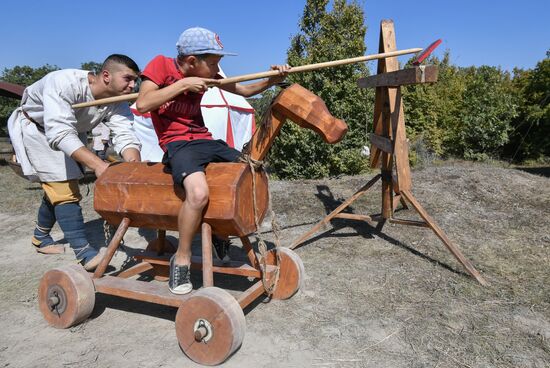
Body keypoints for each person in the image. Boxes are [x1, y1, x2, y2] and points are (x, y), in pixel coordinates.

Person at [136, 27, 289, 294]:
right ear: (192, 61)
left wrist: (273, 80)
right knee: (197, 194)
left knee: (249, 171)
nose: (219, 68)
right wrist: (182, 84)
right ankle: (181, 258)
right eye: (214, 62)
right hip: (178, 144)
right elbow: (143, 103)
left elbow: (243, 89)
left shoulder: (208, 74)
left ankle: (220, 232)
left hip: (205, 140)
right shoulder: (161, 65)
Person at [8, 54, 142, 271]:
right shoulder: (62, 82)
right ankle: (84, 253)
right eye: (128, 78)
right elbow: (59, 132)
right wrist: (99, 166)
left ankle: (40, 237)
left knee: (58, 186)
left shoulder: (118, 101)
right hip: (39, 131)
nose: (133, 85)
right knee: (63, 189)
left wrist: (133, 165)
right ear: (106, 76)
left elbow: (125, 134)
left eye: (135, 80)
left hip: (71, 133)